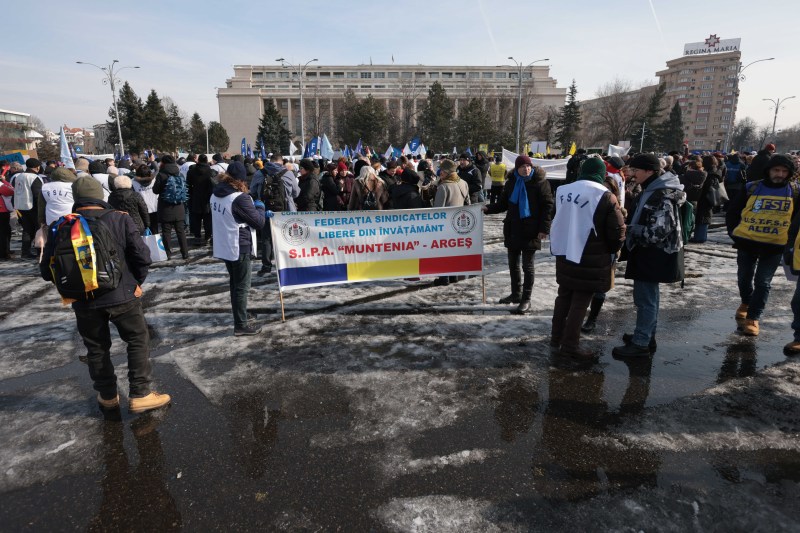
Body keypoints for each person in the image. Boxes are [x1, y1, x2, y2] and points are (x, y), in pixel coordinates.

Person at [39, 176, 170, 414]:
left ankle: (107, 395)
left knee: (97, 347)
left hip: (83, 299)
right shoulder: (120, 219)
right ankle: (140, 393)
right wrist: (135, 282)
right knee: (137, 339)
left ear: (77, 199)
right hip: (123, 295)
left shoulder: (62, 225)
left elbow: (47, 271)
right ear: (100, 196)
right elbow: (143, 257)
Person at [549, 157, 626, 358]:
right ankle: (570, 346)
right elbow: (617, 230)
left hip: (565, 252)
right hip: (591, 257)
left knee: (564, 297)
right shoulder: (605, 195)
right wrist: (612, 250)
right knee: (580, 302)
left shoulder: (563, 190)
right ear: (601, 174)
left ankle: (556, 338)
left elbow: (556, 217)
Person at [612, 153, 686, 357]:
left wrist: (631, 229)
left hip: (653, 254)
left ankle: (641, 342)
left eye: (635, 171)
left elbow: (659, 231)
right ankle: (645, 335)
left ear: (650, 171)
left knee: (646, 300)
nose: (632, 174)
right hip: (648, 253)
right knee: (648, 297)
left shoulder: (661, 194)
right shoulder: (653, 189)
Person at [726, 154, 798, 336]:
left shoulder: (794, 192)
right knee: (744, 277)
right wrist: (734, 234)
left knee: (763, 282)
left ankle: (753, 318)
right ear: (769, 170)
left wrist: (789, 242)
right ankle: (746, 301)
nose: (780, 174)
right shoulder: (752, 187)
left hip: (774, 246)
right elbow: (733, 211)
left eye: (784, 171)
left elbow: (796, 221)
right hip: (747, 243)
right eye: (776, 170)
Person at [485, 155, 554, 314]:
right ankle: (516, 293)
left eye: (528, 166)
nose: (526, 169)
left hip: (531, 230)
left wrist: (544, 229)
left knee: (527, 266)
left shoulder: (540, 183)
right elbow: (503, 204)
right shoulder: (511, 183)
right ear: (517, 168)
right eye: (522, 166)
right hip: (513, 229)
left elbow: (548, 207)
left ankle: (526, 298)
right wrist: (488, 208)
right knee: (513, 264)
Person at [211, 171, 267, 336]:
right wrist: (260, 208)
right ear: (240, 180)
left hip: (225, 244)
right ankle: (241, 325)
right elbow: (258, 222)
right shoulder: (239, 198)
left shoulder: (215, 194)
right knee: (242, 286)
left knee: (235, 284)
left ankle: (240, 314)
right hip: (239, 245)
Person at [153, 155, 189, 260]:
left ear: (163, 163)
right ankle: (185, 253)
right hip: (179, 206)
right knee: (180, 231)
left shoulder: (161, 174)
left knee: (166, 231)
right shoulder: (180, 173)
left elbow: (155, 190)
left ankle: (168, 254)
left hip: (165, 207)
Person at [11, 158, 44, 259]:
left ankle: (25, 252)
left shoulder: (18, 176)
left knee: (27, 230)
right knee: (39, 230)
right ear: (37, 167)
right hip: (33, 206)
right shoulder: (34, 178)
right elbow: (37, 195)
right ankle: (40, 252)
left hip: (20, 207)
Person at [186, 154, 215, 245]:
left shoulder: (191, 171)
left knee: (196, 218)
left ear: (198, 160)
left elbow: (188, 185)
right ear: (207, 161)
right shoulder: (212, 171)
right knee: (208, 219)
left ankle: (197, 236)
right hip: (208, 198)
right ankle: (207, 236)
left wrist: (191, 195)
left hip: (195, 197)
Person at [132, 164, 159, 236]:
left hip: (141, 209)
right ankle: (156, 244)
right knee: (155, 229)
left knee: (144, 230)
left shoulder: (133, 182)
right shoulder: (154, 179)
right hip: (155, 207)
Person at [0, 163, 14, 260]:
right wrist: (4, 181)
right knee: (4, 233)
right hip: (1, 211)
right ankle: (4, 253)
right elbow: (11, 191)